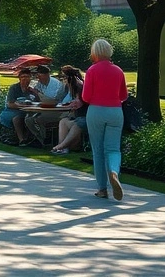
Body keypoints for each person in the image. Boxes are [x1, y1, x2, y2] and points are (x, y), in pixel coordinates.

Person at [83, 38, 128, 200]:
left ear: (94, 53)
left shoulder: (92, 70)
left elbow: (86, 97)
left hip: (96, 111)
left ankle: (102, 188)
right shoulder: (118, 71)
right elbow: (124, 95)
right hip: (116, 111)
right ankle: (114, 172)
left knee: (98, 150)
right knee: (113, 149)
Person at [49, 65, 88, 155]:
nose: (63, 80)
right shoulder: (69, 87)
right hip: (76, 116)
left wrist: (69, 105)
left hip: (85, 117)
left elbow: (79, 103)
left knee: (78, 124)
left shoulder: (79, 86)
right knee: (63, 121)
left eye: (64, 77)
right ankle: (63, 148)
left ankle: (61, 146)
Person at [0, 69, 35, 146]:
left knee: (33, 117)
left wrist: (36, 93)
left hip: (28, 111)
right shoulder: (14, 88)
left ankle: (33, 139)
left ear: (30, 78)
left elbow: (38, 101)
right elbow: (9, 104)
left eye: (27, 77)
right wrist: (22, 106)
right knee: (17, 118)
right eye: (23, 77)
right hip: (12, 111)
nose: (25, 79)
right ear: (19, 78)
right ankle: (22, 140)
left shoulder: (31, 90)